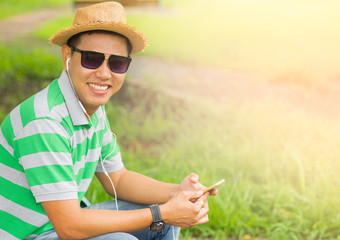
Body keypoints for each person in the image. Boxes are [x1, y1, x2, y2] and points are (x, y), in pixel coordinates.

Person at [0, 1, 219, 240]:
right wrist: (162, 212)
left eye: (117, 63)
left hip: (60, 225)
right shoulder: (44, 122)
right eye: (92, 59)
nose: (104, 73)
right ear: (67, 56)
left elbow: (119, 178)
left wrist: (178, 193)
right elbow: (70, 226)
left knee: (164, 222)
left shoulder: (89, 109)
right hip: (29, 235)